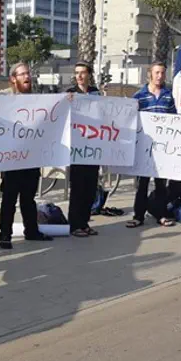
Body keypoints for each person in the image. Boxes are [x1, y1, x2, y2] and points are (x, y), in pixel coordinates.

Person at [0, 62, 53, 249]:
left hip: (31, 157)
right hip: (12, 159)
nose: (27, 77)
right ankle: (5, 235)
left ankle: (32, 230)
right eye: (22, 74)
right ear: (13, 78)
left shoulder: (36, 100)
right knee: (9, 199)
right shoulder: (3, 97)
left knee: (28, 198)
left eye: (28, 73)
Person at [126, 61, 177, 228]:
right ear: (150, 74)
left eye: (162, 73)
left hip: (162, 148)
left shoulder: (169, 96)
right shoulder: (139, 97)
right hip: (144, 148)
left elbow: (174, 119)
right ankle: (138, 216)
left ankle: (160, 214)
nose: (160, 76)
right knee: (142, 184)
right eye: (157, 73)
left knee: (161, 185)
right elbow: (131, 119)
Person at [65, 60, 102, 237]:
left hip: (93, 147)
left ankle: (85, 222)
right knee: (78, 188)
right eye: (77, 72)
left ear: (89, 75)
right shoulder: (70, 93)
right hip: (77, 149)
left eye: (83, 72)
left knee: (90, 187)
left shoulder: (96, 94)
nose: (79, 76)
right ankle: (75, 224)